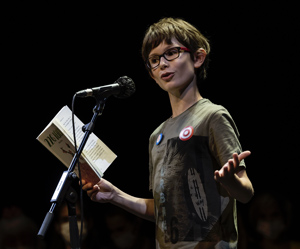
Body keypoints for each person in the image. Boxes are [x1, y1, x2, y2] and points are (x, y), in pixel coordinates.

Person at [82, 17, 254, 249]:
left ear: (198, 57)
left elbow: (246, 194)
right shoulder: (157, 136)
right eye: (154, 60)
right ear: (151, 74)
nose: (162, 63)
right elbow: (166, 210)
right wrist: (116, 196)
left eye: (171, 53)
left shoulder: (212, 116)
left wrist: (230, 181)